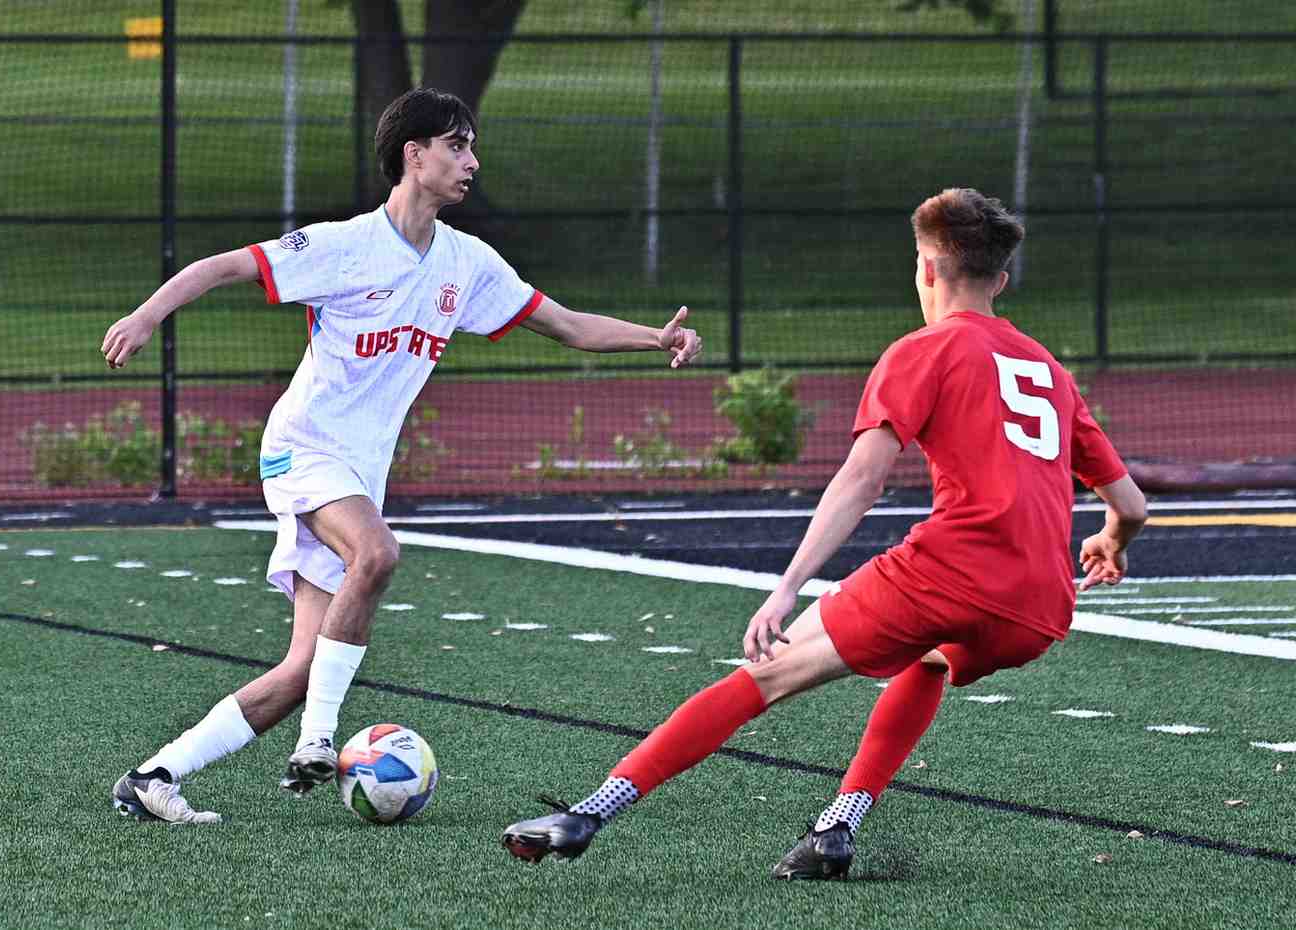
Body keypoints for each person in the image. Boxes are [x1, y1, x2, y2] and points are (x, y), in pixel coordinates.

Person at [501, 187, 1147, 879]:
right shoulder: (1050, 372)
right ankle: (836, 830)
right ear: (1002, 279)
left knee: (767, 674)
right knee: (927, 659)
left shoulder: (922, 350)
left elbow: (862, 480)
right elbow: (1131, 504)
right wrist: (1111, 540)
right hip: (1040, 609)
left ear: (926, 270)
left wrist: (786, 589)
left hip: (953, 570)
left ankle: (587, 814)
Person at [102, 87, 702, 824]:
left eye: (473, 146)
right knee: (378, 556)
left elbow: (568, 325)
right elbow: (224, 266)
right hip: (303, 450)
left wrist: (656, 337)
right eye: (457, 145)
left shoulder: (467, 263)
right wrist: (145, 313)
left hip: (358, 474)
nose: (472, 161)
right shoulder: (344, 246)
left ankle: (154, 775)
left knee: (299, 669)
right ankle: (318, 742)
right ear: (413, 156)